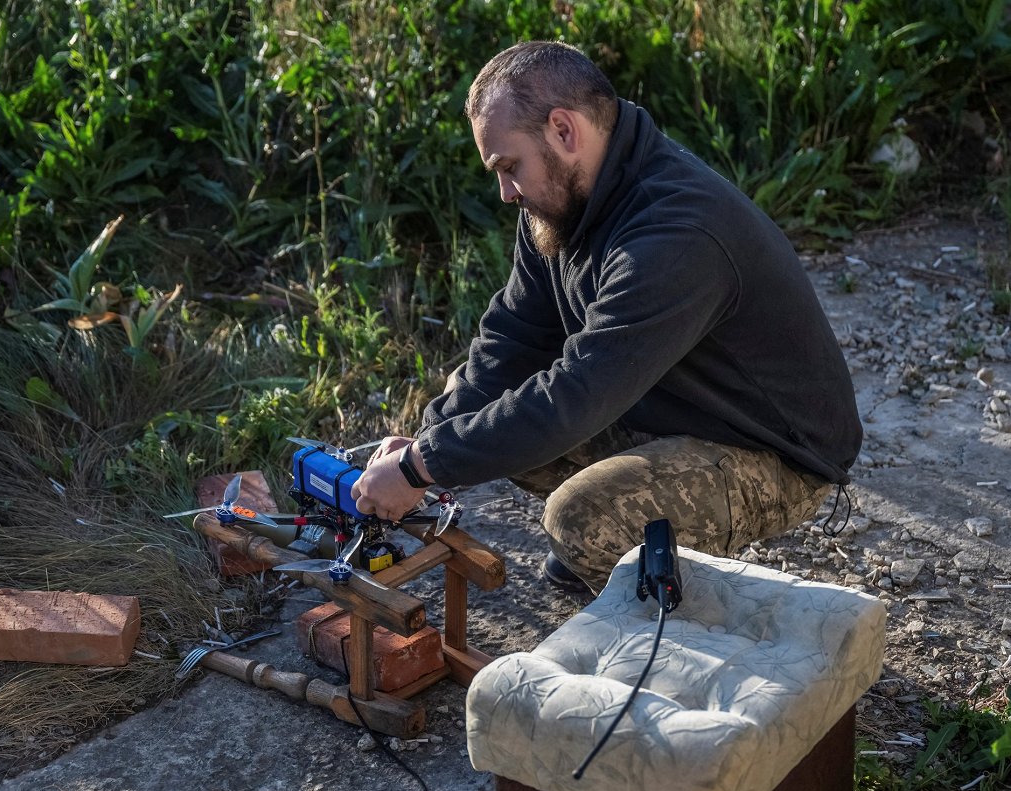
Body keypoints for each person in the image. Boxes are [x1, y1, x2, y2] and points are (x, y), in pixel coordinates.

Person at [350, 40, 862, 594]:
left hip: (772, 451)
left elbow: (578, 394)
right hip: (675, 409)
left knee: (579, 518)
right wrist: (427, 442)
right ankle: (628, 548)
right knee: (473, 420)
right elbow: (514, 336)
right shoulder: (561, 203)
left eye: (508, 166)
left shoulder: (677, 233)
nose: (504, 192)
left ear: (564, 131)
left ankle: (685, 608)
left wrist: (420, 469)